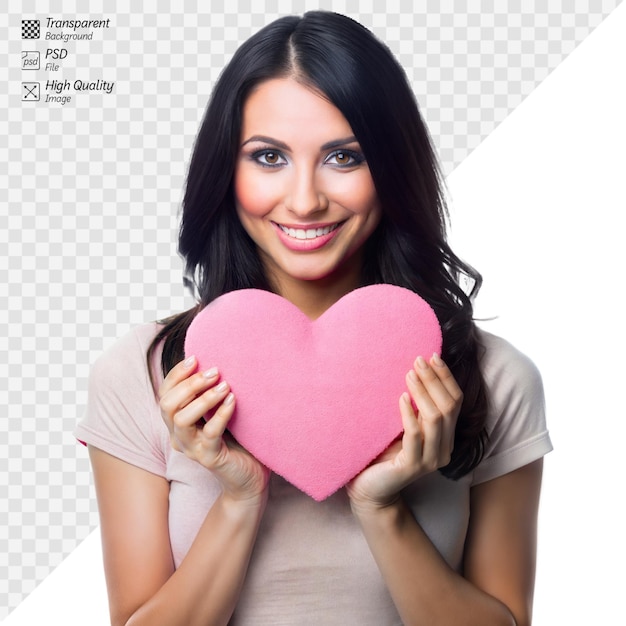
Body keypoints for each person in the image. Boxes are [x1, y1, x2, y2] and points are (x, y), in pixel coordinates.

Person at [75, 10, 552, 625]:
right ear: (227, 170)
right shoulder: (141, 374)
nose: (304, 199)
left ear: (392, 168)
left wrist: (382, 509)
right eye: (269, 157)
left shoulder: (495, 379)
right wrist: (239, 498)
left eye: (345, 157)